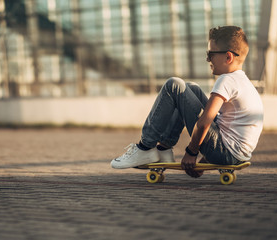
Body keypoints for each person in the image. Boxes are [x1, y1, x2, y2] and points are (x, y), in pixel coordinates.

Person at [111, 26, 263, 178]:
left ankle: (144, 148)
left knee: (174, 85)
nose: (207, 59)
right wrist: (205, 161)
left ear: (228, 57)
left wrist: (191, 152)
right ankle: (164, 149)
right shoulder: (243, 81)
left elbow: (204, 122)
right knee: (191, 88)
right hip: (234, 153)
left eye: (210, 54)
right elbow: (232, 130)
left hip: (225, 152)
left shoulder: (226, 80)